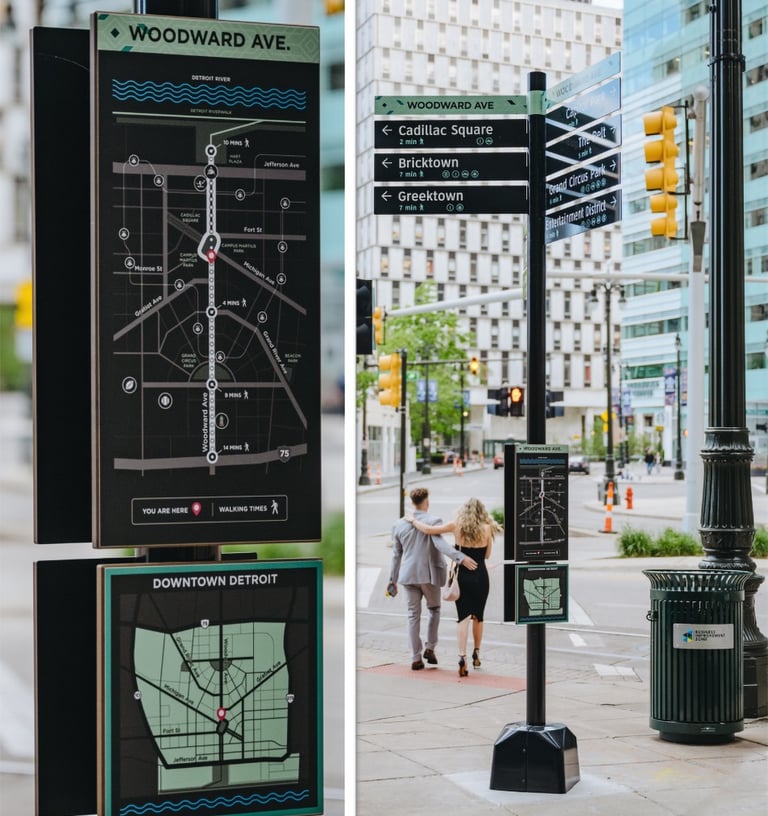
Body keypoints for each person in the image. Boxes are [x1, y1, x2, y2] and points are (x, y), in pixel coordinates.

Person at [408, 497, 499, 677]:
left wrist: (413, 520)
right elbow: (487, 555)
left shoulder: (456, 526)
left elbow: (428, 530)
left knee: (463, 617)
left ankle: (462, 657)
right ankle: (477, 653)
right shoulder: (487, 529)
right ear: (482, 512)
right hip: (481, 576)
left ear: (463, 511)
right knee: (478, 617)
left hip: (462, 577)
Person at [389, 487, 478, 671]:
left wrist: (392, 580)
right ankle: (430, 648)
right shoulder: (433, 521)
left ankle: (415, 658)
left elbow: (396, 555)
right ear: (427, 502)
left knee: (413, 615)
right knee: (434, 610)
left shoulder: (398, 525)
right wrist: (461, 557)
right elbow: (441, 545)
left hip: (408, 576)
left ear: (413, 503)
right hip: (428, 575)